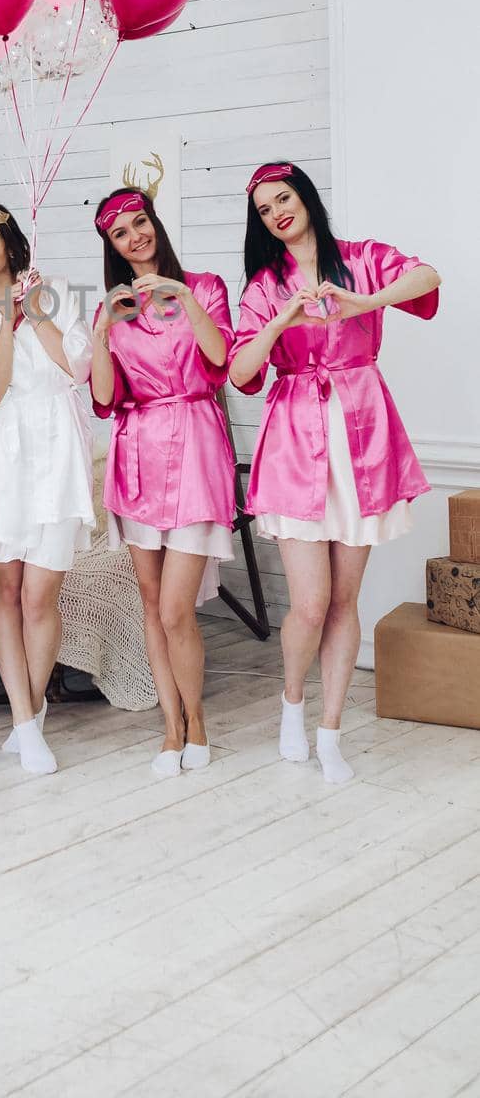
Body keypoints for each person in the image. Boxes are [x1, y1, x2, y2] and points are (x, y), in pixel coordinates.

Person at [229, 161, 440, 784]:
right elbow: (241, 373)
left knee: (345, 599)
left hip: (360, 436)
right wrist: (280, 322)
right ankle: (292, 709)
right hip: (295, 440)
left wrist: (366, 301)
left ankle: (330, 732)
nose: (277, 214)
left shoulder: (362, 257)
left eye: (284, 199)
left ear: (306, 198)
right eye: (265, 209)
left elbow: (428, 277)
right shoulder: (264, 286)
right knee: (311, 602)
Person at [90, 185, 236, 778]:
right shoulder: (115, 308)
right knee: (153, 606)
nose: (135, 236)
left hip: (197, 449)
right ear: (112, 246)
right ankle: (170, 729)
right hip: (137, 457)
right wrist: (102, 332)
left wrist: (181, 296)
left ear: (155, 223)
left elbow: (221, 357)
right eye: (120, 233)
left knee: (177, 609)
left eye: (140, 223)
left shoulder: (204, 287)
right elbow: (103, 396)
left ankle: (196, 720)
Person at [0, 200, 93, 775]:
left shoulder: (55, 290)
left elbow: (76, 369)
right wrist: (5, 319)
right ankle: (23, 722)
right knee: (5, 592)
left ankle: (32, 716)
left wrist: (35, 313)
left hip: (57, 449)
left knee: (40, 596)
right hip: (5, 450)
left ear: (11, 243)